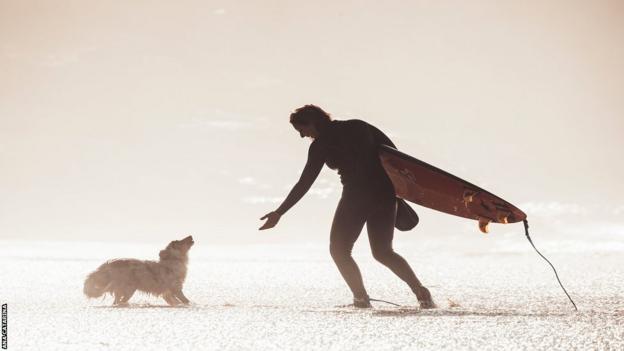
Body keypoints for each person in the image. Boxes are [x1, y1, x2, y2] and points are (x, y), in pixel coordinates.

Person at [259, 105, 435, 309]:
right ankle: (421, 293)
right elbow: (395, 157)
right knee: (383, 252)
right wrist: (399, 194)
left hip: (357, 196)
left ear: (312, 122)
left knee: (339, 250)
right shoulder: (359, 126)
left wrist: (280, 212)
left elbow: (305, 182)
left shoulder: (320, 145)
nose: (301, 135)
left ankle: (361, 299)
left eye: (301, 129)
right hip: (384, 194)